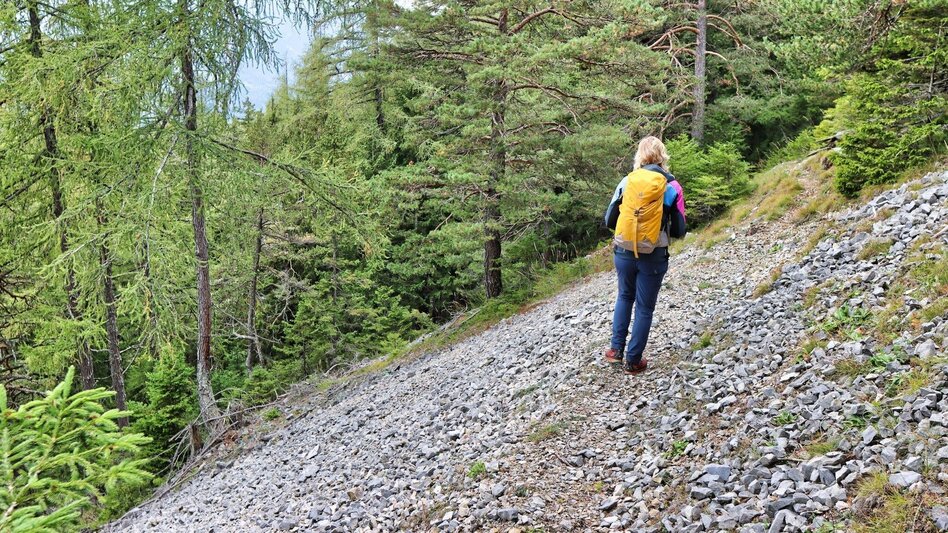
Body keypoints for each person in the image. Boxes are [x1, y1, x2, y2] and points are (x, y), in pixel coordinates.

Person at [601, 136, 687, 375]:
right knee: (645, 308)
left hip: (624, 251)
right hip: (654, 254)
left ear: (639, 156)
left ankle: (615, 351)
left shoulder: (627, 181)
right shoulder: (672, 186)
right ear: (662, 156)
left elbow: (609, 220)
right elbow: (680, 230)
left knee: (624, 296)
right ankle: (633, 361)